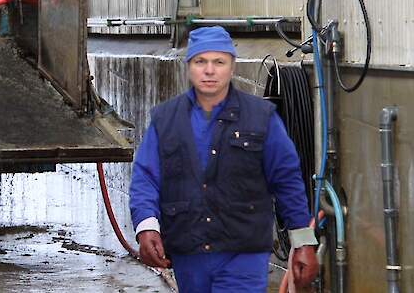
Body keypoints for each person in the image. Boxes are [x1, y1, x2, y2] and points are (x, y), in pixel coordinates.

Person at [129, 26, 319, 292]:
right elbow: (146, 177)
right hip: (188, 251)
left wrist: (303, 242)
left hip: (243, 254)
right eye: (200, 61)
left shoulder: (261, 118)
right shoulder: (165, 120)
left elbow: (287, 181)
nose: (209, 70)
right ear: (189, 67)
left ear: (232, 67)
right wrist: (146, 226)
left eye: (219, 62)